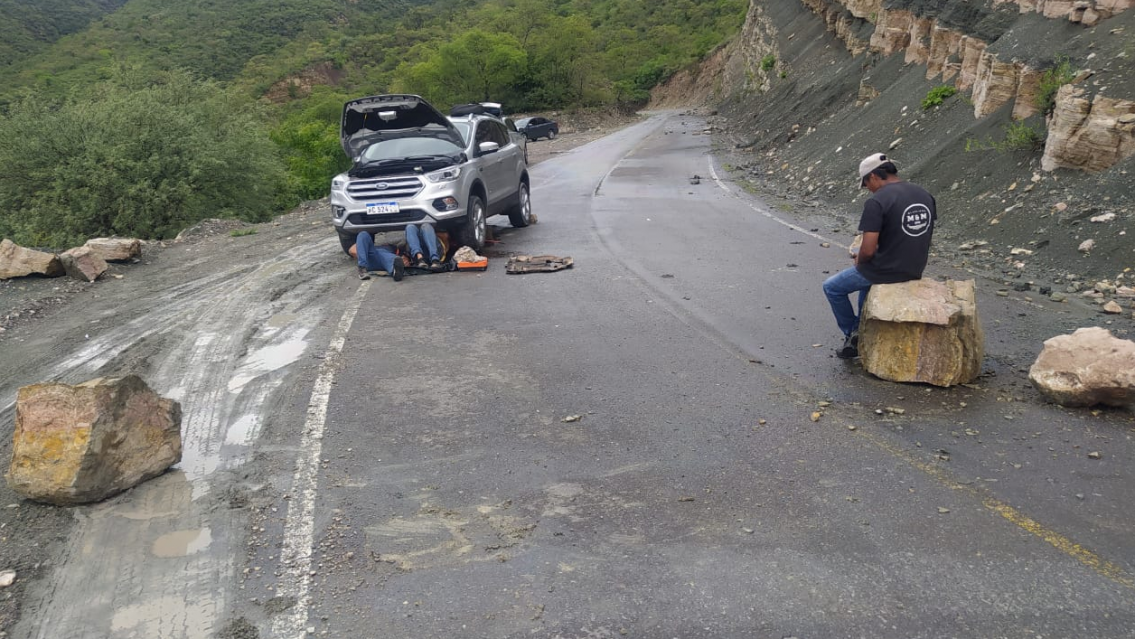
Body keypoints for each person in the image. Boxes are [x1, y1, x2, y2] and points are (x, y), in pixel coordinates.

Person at [822, 153, 936, 359]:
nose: (867, 189)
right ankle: (861, 331)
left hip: (886, 270)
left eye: (866, 183)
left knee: (832, 287)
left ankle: (852, 334)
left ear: (874, 176)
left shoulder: (877, 202)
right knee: (866, 281)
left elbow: (867, 250)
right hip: (915, 266)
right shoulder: (924, 195)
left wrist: (859, 259)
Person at [354, 223, 444, 281]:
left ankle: (430, 260)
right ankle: (362, 268)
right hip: (371, 258)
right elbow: (352, 250)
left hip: (384, 258)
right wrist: (361, 251)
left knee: (415, 227)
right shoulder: (396, 249)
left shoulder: (398, 251)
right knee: (363, 234)